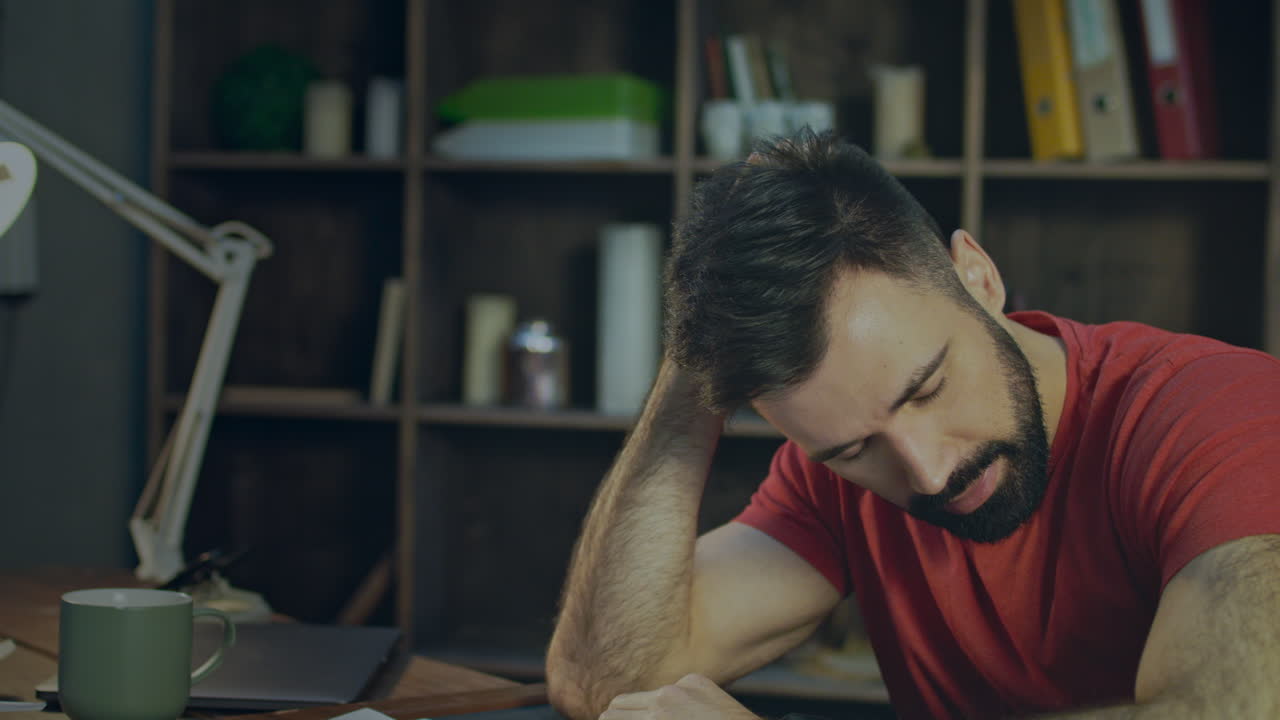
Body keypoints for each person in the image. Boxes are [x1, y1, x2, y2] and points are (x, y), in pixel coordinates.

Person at [543, 130, 1280, 720]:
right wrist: (693, 357)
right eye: (856, 449)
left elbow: (1228, 709)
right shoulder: (836, 472)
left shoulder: (1219, 416)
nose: (926, 472)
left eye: (926, 388)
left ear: (978, 277)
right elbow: (605, 681)